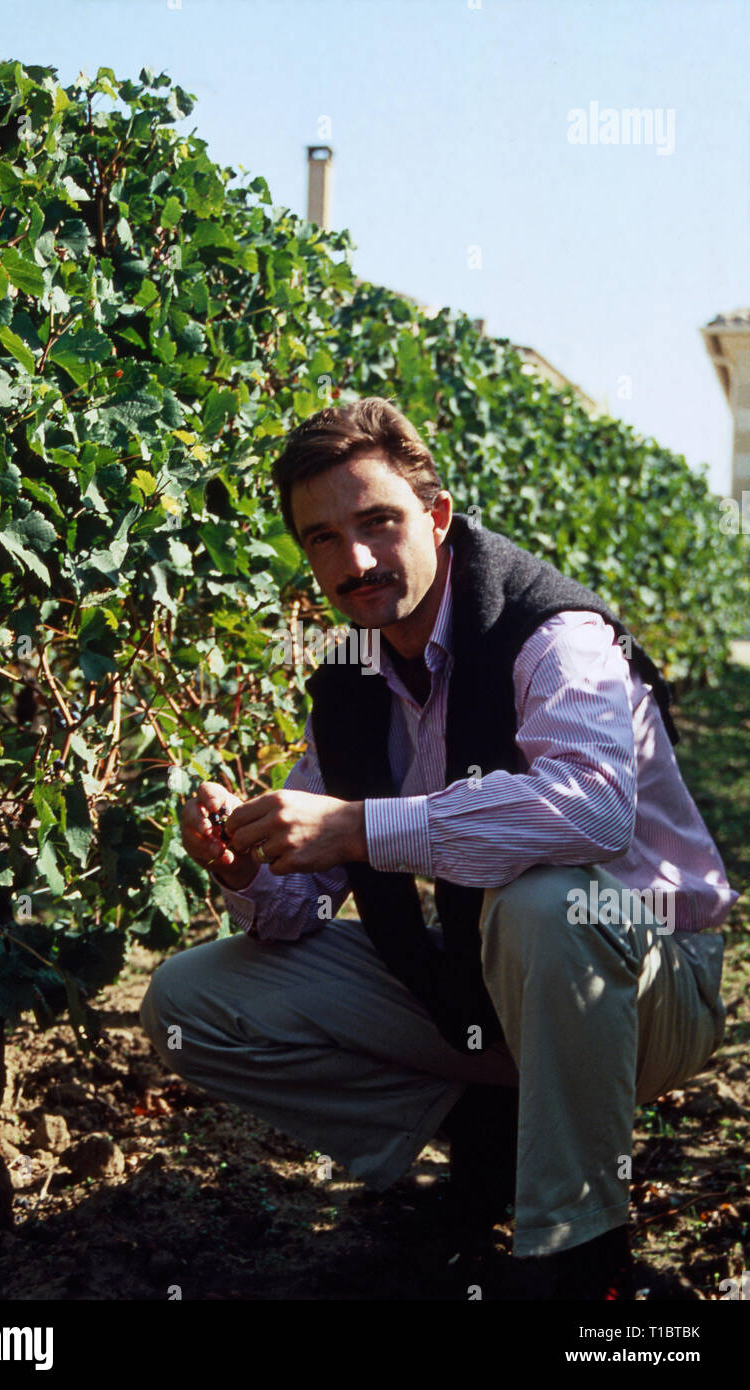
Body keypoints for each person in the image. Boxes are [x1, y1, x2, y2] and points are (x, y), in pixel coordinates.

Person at [140, 396, 736, 1300]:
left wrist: (361, 826)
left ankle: (576, 1258)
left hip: (653, 986)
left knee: (549, 902)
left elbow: (594, 813)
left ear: (438, 516)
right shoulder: (352, 676)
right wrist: (250, 868)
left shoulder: (550, 635)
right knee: (196, 996)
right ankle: (492, 1134)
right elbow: (298, 909)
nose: (357, 561)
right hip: (491, 986)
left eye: (378, 522)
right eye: (324, 540)